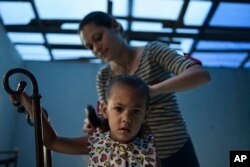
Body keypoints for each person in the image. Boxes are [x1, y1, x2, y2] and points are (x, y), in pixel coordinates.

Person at [79, 11, 211, 167]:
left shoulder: (153, 52)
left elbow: (200, 74)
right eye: (90, 46)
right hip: (138, 159)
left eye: (97, 38)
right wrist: (97, 122)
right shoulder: (103, 76)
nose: (96, 49)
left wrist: (152, 91)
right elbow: (110, 124)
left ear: (115, 26)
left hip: (177, 151)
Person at [9, 75, 158, 167]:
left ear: (145, 115)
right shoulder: (97, 143)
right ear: (105, 110)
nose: (127, 118)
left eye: (136, 112)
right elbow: (52, 142)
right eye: (119, 109)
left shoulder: (149, 146)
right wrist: (29, 104)